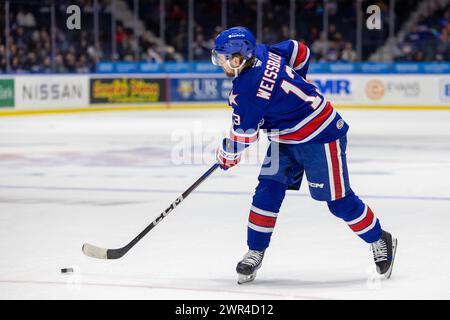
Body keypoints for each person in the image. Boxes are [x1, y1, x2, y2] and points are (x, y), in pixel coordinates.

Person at [211, 27, 398, 284]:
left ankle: (379, 238)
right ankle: (255, 250)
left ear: (238, 58)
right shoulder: (265, 52)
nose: (219, 63)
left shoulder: (245, 91)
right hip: (284, 138)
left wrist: (225, 154)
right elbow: (300, 50)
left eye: (222, 58)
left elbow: (244, 136)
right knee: (267, 191)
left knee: (338, 201)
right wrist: (298, 81)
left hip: (320, 135)